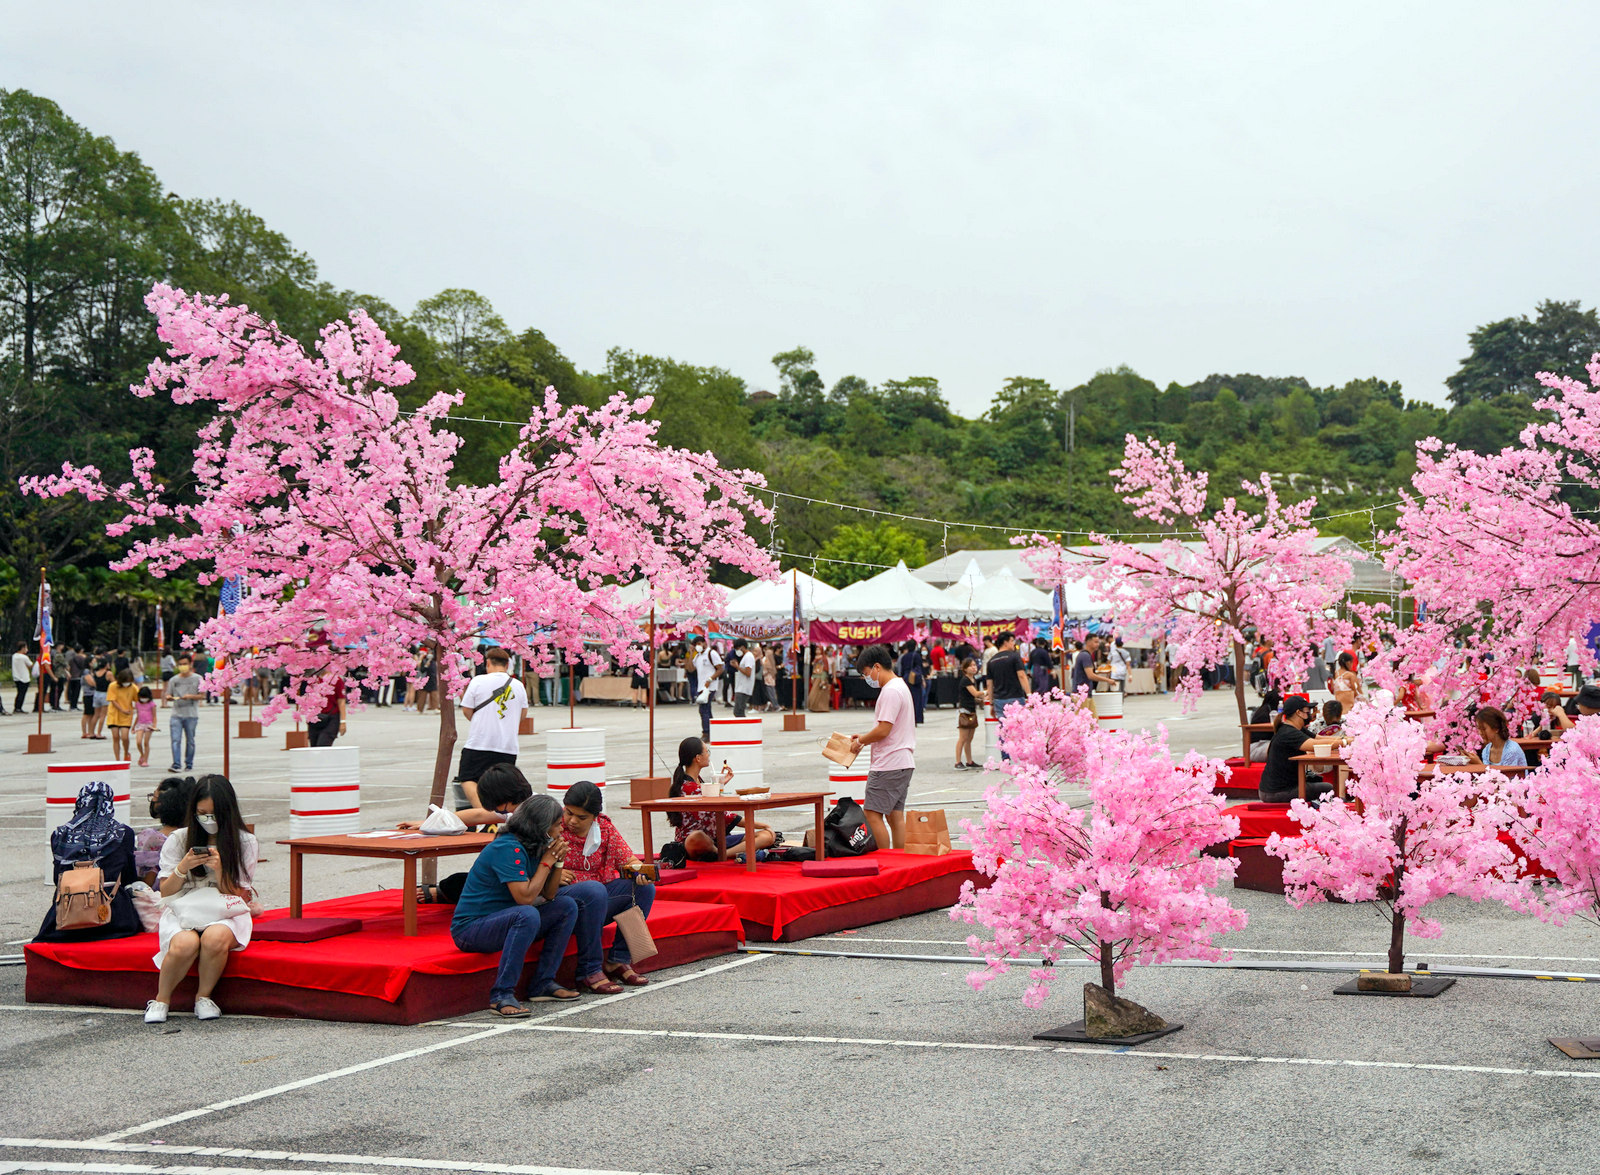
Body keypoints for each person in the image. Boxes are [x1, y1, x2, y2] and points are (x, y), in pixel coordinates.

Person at [450, 794, 580, 1015]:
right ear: (542, 826)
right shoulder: (508, 846)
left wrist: (557, 861)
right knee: (526, 914)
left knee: (566, 906)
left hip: (505, 918)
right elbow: (526, 898)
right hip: (471, 928)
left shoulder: (536, 844)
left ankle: (543, 982)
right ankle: (501, 995)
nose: (561, 831)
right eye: (557, 826)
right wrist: (547, 862)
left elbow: (548, 895)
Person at [146, 775, 259, 1023]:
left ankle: (203, 997)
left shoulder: (245, 842)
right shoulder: (179, 839)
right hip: (184, 907)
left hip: (224, 909)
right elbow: (166, 891)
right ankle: (161, 999)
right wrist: (183, 867)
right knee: (185, 943)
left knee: (215, 937)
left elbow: (239, 893)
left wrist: (220, 871)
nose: (209, 819)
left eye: (215, 813)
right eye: (202, 813)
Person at [556, 780, 656, 991]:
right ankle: (589, 970)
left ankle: (618, 959)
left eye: (581, 817)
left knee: (644, 888)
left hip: (597, 898)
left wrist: (639, 870)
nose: (572, 821)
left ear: (595, 817)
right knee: (595, 890)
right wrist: (551, 874)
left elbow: (627, 859)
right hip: (563, 900)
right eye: (569, 813)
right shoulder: (553, 826)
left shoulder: (604, 828)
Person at [405, 763, 535, 904]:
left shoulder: (536, 812)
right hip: (522, 873)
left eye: (497, 806)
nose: (499, 812)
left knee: (463, 883)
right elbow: (479, 815)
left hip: (532, 876)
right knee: (459, 880)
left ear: (504, 797)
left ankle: (446, 894)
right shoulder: (517, 806)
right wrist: (431, 822)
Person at [35, 780, 141, 944]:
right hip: (114, 918)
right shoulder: (122, 833)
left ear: (80, 802)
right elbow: (129, 877)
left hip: (67, 915)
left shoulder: (60, 834)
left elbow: (58, 879)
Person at [848, 644, 916, 852]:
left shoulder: (890, 691)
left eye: (866, 673)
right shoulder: (900, 686)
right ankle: (899, 858)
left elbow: (884, 729)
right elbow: (886, 728)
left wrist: (861, 741)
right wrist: (866, 736)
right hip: (902, 761)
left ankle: (885, 858)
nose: (866, 678)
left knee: (871, 814)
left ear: (876, 667)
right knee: (895, 816)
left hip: (888, 763)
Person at [668, 737, 776, 862]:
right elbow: (723, 815)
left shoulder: (700, 783)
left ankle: (722, 854)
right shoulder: (686, 787)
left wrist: (720, 785)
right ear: (698, 758)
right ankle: (724, 854)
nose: (708, 755)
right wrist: (762, 825)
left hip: (716, 840)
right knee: (697, 837)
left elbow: (719, 811)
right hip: (697, 842)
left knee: (766, 836)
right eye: (707, 751)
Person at [455, 648, 529, 805]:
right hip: (508, 746)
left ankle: (482, 812)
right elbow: (522, 714)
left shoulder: (478, 681)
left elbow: (467, 709)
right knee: (500, 786)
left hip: (479, 743)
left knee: (467, 777)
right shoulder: (518, 685)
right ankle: (497, 815)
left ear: (487, 663)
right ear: (508, 664)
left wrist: (480, 721)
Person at [1258, 696, 1331, 805]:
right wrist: (1344, 743)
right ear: (1299, 713)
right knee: (1328, 788)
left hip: (1280, 788)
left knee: (1319, 782)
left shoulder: (1295, 728)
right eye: (1307, 711)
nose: (1309, 715)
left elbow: (1319, 738)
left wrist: (1345, 739)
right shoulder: (1288, 733)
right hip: (1276, 792)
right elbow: (1314, 744)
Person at [137, 776, 192, 886]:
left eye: (154, 796)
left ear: (162, 804)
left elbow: (146, 883)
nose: (152, 800)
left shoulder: (151, 838)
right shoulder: (191, 834)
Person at [166, 655, 201, 771]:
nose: (183, 667)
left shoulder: (198, 679)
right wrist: (169, 698)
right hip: (176, 714)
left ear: (190, 664)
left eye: (185, 664)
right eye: (180, 664)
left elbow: (203, 695)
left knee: (190, 740)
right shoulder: (174, 680)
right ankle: (176, 763)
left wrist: (191, 696)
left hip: (191, 714)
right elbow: (167, 694)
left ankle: (189, 763)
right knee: (175, 739)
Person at [954, 657, 985, 770]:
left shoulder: (973, 680)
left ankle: (969, 761)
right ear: (965, 669)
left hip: (972, 710)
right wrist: (986, 692)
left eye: (975, 665)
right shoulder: (965, 680)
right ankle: (957, 761)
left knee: (969, 738)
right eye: (971, 666)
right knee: (962, 738)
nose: (974, 667)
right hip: (965, 712)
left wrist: (981, 699)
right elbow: (975, 693)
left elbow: (974, 697)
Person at [691, 636, 723, 740]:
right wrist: (691, 653)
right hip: (701, 687)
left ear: (705, 643)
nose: (698, 646)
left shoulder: (711, 653)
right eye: (696, 645)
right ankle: (712, 731)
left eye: (700, 644)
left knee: (703, 709)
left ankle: (706, 733)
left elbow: (720, 669)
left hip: (710, 686)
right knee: (707, 709)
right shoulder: (698, 656)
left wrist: (710, 679)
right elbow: (691, 668)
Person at [106, 668, 138, 762]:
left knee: (124, 737)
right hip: (114, 714)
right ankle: (117, 759)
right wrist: (121, 709)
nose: (126, 683)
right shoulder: (113, 686)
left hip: (126, 715)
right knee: (115, 736)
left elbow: (138, 700)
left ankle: (126, 752)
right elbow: (112, 700)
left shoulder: (133, 688)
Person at [898, 640, 926, 726]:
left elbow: (901, 670)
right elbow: (920, 668)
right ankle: (916, 718)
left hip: (906, 678)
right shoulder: (917, 656)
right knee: (916, 699)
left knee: (908, 699)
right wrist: (922, 679)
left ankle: (907, 719)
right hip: (914, 678)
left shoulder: (904, 657)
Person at [132, 686, 158, 767]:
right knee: (138, 741)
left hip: (149, 724)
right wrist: (133, 726)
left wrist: (154, 725)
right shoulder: (138, 704)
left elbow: (154, 716)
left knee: (146, 742)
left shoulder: (152, 704)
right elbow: (138, 715)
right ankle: (142, 755)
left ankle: (145, 760)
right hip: (140, 724)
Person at [731, 639, 756, 717]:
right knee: (738, 710)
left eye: (737, 649)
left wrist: (737, 667)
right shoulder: (746, 656)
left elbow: (748, 673)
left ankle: (743, 727)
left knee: (738, 711)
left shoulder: (748, 657)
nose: (737, 651)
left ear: (742, 647)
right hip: (741, 687)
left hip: (744, 688)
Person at [807, 645, 833, 712]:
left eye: (819, 650)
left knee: (820, 694)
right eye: (817, 650)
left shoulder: (823, 658)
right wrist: (812, 677)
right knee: (814, 693)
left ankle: (821, 708)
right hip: (815, 677)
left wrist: (823, 679)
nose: (817, 651)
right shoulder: (815, 658)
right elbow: (814, 668)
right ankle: (813, 707)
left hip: (821, 677)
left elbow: (824, 669)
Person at [12, 642, 33, 714]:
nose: (27, 650)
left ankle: (17, 707)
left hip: (16, 676)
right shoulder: (24, 657)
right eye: (26, 648)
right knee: (22, 693)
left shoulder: (14, 656)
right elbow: (30, 665)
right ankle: (19, 707)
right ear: (23, 648)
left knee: (19, 692)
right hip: (24, 677)